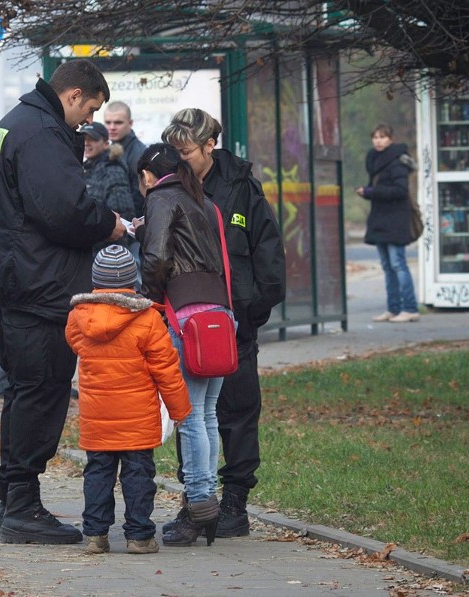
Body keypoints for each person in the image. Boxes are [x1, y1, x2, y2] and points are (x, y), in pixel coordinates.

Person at [0, 59, 126, 545]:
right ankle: (22, 508)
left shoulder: (12, 125)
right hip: (41, 287)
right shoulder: (40, 132)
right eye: (90, 108)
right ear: (73, 93)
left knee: (23, 393)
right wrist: (110, 225)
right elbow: (63, 210)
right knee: (41, 392)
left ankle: (14, 502)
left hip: (17, 281)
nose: (89, 120)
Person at [162, 108, 286, 538]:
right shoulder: (173, 187)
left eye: (186, 151)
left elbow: (268, 250)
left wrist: (254, 311)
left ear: (209, 145)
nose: (180, 158)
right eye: (174, 151)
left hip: (235, 322)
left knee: (235, 411)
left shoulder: (240, 188)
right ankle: (197, 502)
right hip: (188, 321)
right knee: (190, 413)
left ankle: (234, 502)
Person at [134, 143, 234, 547]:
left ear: (147, 175)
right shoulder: (203, 200)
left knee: (189, 417)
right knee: (207, 414)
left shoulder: (161, 197)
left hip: (185, 315)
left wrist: (147, 297)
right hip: (220, 314)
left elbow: (157, 257)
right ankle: (207, 503)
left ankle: (199, 506)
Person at [66, 244, 191, 555]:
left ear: (95, 280)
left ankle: (95, 535)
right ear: (133, 281)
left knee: (97, 472)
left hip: (97, 416)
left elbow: (76, 345)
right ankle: (139, 536)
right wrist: (179, 409)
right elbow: (166, 369)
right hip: (137, 416)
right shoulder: (147, 320)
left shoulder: (79, 318)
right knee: (138, 474)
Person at [356, 124, 420, 323]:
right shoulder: (375, 160)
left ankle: (410, 308)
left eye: (382, 137)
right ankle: (393, 308)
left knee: (398, 264)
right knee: (386, 266)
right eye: (375, 137)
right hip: (380, 219)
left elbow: (400, 191)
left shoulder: (397, 162)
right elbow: (380, 188)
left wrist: (371, 192)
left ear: (390, 139)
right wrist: (366, 191)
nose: (378, 140)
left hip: (395, 220)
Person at [79, 121, 135, 233]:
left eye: (93, 139)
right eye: (83, 139)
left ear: (106, 143)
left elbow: (122, 215)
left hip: (108, 244)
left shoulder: (113, 170)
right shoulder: (87, 167)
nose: (86, 143)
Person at [104, 101, 147, 217]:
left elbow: (140, 196)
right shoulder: (108, 149)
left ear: (130, 123)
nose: (112, 127)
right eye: (108, 123)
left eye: (118, 123)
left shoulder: (139, 153)